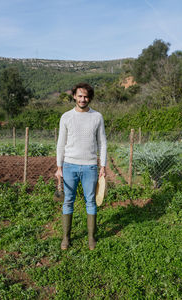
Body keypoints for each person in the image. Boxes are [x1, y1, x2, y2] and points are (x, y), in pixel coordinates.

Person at [55, 82, 107, 250]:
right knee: (68, 201)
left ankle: (91, 238)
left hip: (90, 166)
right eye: (80, 96)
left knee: (90, 201)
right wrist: (59, 166)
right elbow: (60, 144)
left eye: (86, 96)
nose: (83, 99)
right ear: (74, 97)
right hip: (69, 165)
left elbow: (103, 143)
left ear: (89, 98)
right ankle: (65, 238)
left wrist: (103, 166)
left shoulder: (97, 117)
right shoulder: (66, 117)